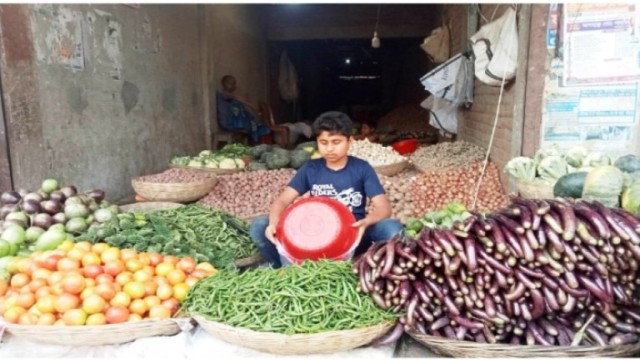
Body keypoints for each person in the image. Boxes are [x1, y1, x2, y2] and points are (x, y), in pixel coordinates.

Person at [249, 111, 403, 268]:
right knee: (259, 226)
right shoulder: (311, 168)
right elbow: (282, 200)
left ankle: (365, 266)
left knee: (392, 228)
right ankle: (281, 269)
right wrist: (274, 223)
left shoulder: (362, 168)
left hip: (354, 234)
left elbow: (384, 208)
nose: (329, 149)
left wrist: (366, 222)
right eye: (323, 142)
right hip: (314, 237)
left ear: (350, 142)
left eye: (336, 142)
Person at [216, 75, 270, 144]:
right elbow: (237, 98)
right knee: (251, 125)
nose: (234, 86)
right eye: (232, 84)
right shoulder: (222, 94)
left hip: (232, 121)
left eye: (234, 84)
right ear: (225, 83)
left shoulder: (230, 96)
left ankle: (256, 138)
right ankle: (255, 141)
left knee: (252, 123)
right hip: (227, 122)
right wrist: (253, 107)